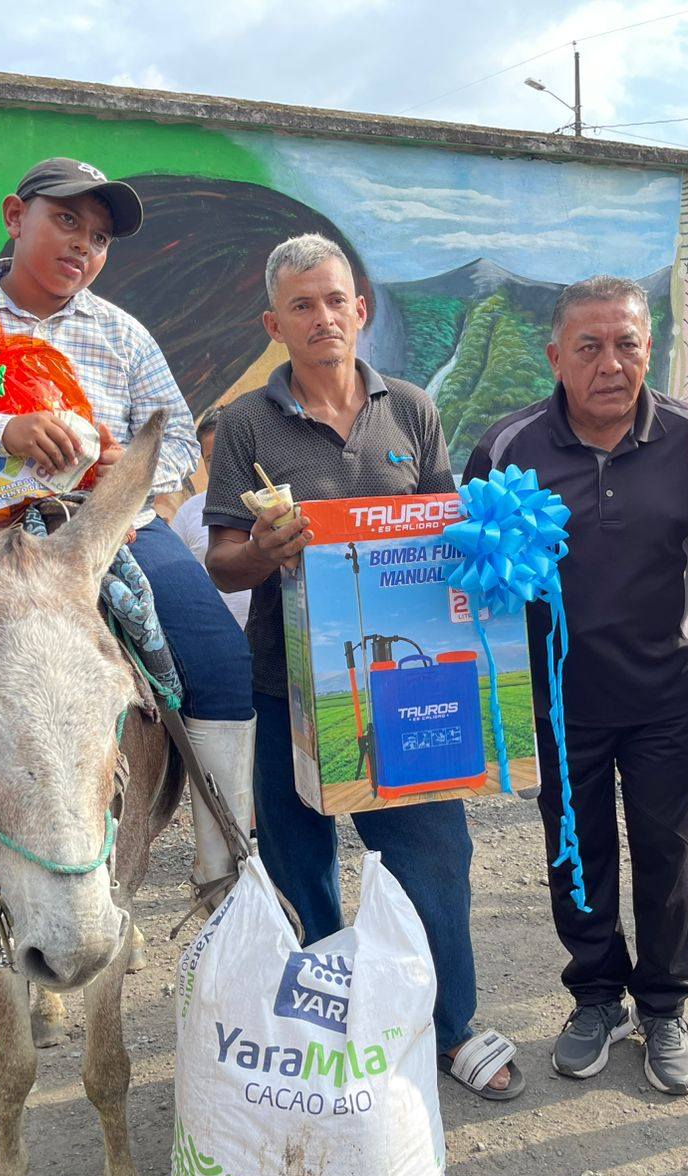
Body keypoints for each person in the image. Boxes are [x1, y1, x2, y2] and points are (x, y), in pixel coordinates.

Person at [0, 157, 256, 985]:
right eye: (67, 221)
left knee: (222, 662)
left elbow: (178, 442)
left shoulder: (122, 333)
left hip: (104, 534)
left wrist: (118, 470)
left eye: (100, 236)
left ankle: (225, 872)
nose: (84, 245)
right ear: (16, 216)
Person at [204, 233, 524, 1102]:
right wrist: (264, 550)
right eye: (301, 305)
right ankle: (328, 1026)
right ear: (275, 323)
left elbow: (443, 535)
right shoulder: (247, 423)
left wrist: (494, 544)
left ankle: (450, 1026)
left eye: (335, 300)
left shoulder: (411, 410)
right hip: (286, 684)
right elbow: (223, 561)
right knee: (299, 861)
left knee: (433, 855)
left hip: (407, 684)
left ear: (361, 308)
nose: (322, 317)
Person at [463, 276, 688, 1096]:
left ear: (649, 349)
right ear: (555, 357)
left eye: (627, 344)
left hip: (667, 698)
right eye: (589, 347)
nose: (611, 364)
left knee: (668, 854)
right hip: (557, 705)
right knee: (576, 854)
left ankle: (665, 1008)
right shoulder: (507, 448)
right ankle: (597, 997)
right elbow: (467, 573)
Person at [169, 406, 250, 629]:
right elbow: (178, 579)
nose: (221, 466)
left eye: (228, 454)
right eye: (211, 459)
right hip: (217, 634)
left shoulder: (276, 504)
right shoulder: (188, 512)